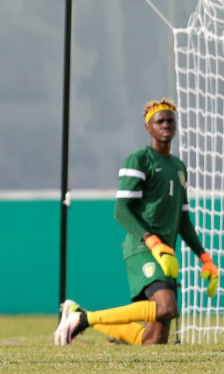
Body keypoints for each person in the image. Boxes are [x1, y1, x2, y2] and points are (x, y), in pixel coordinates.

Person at [55, 98, 220, 345]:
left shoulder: (178, 167)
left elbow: (183, 220)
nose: (166, 125)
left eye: (170, 120)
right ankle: (83, 321)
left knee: (153, 342)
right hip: (143, 249)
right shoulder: (139, 160)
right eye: (160, 121)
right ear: (148, 127)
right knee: (167, 308)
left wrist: (204, 257)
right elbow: (121, 210)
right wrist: (153, 242)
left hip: (167, 255)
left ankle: (86, 316)